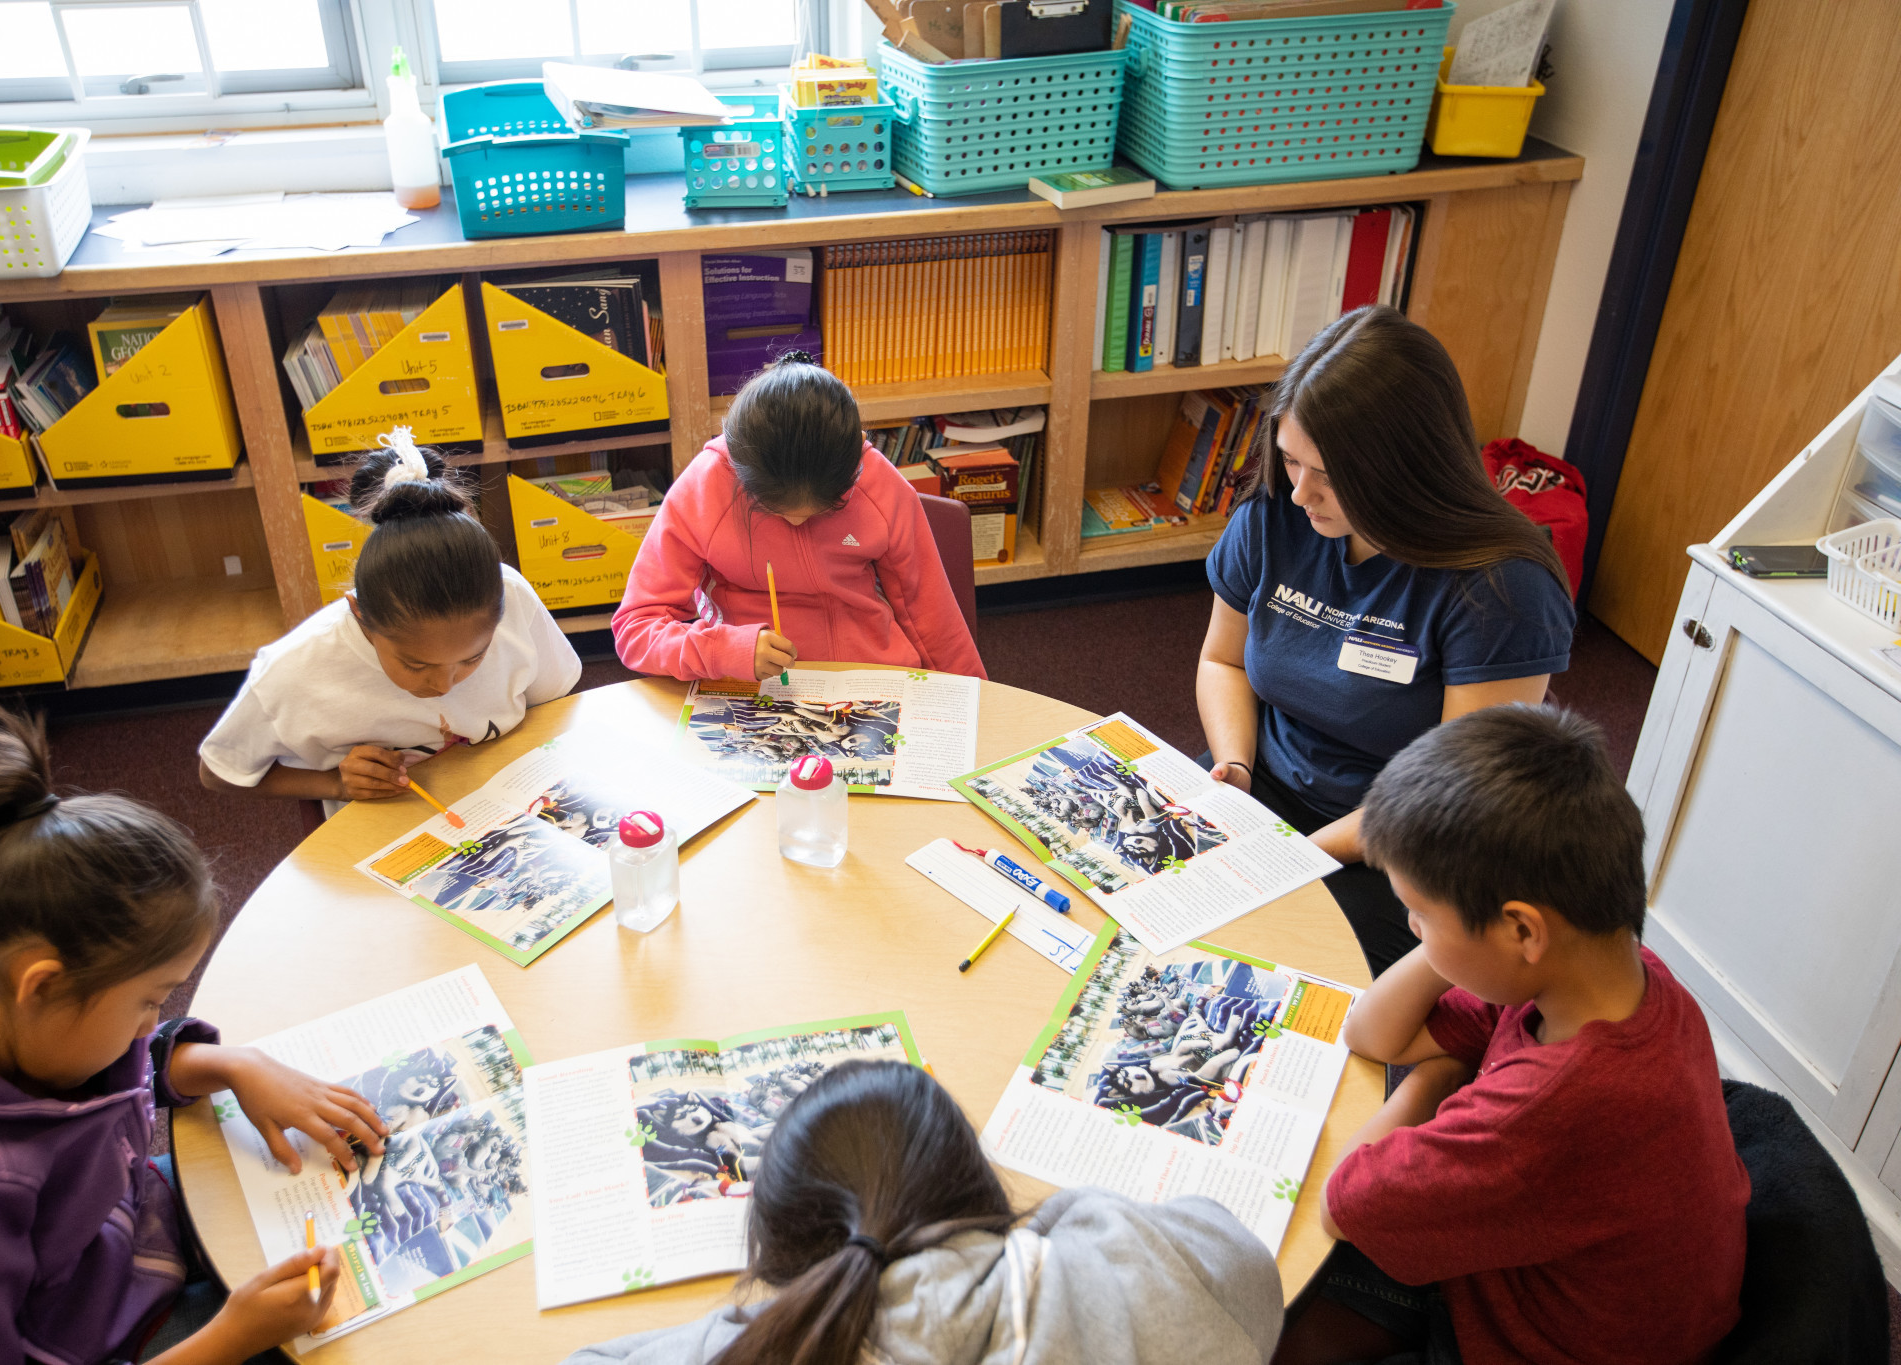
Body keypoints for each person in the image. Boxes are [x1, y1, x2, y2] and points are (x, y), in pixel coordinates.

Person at [0, 708, 393, 1363]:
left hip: (122, 1233)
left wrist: (228, 1064)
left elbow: (95, 1061)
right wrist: (231, 1338)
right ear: (42, 984)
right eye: (149, 1001)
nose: (151, 1023)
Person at [1274, 705, 1748, 1365]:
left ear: (1522, 930)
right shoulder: (1621, 980)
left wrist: (1440, 1079)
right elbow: (1371, 1032)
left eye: (1420, 913)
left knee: (1246, 1321)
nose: (1410, 928)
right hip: (1540, 1273)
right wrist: (1443, 944)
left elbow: (1343, 1202)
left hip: (1518, 1340)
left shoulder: (1555, 1101)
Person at [1198, 307, 1575, 975]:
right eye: (1290, 461)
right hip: (1266, 782)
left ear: (1407, 470)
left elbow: (1456, 791)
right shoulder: (1274, 517)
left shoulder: (1501, 589)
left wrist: (1302, 853)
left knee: (1266, 971)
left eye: (1330, 475)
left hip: (1406, 841)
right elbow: (1222, 659)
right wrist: (1235, 767)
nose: (1299, 493)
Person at [564, 1058, 1283, 1365]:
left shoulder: (740, 1344)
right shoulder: (1165, 1271)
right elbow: (1245, 1265)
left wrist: (752, 1322)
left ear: (784, 1254)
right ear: (975, 1184)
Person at [198, 427, 580, 805]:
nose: (444, 684)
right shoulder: (294, 669)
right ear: (361, 614)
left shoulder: (511, 594)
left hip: (514, 801)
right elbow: (216, 772)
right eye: (415, 664)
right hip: (387, 832)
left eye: (473, 657)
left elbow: (556, 705)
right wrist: (335, 784)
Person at [612, 355, 985, 683]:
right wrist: (725, 651)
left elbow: (930, 613)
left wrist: (978, 700)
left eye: (824, 509)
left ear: (857, 456)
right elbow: (636, 629)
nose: (795, 524)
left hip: (872, 678)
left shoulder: (878, 482)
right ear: (739, 469)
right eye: (773, 509)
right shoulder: (706, 487)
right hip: (747, 684)